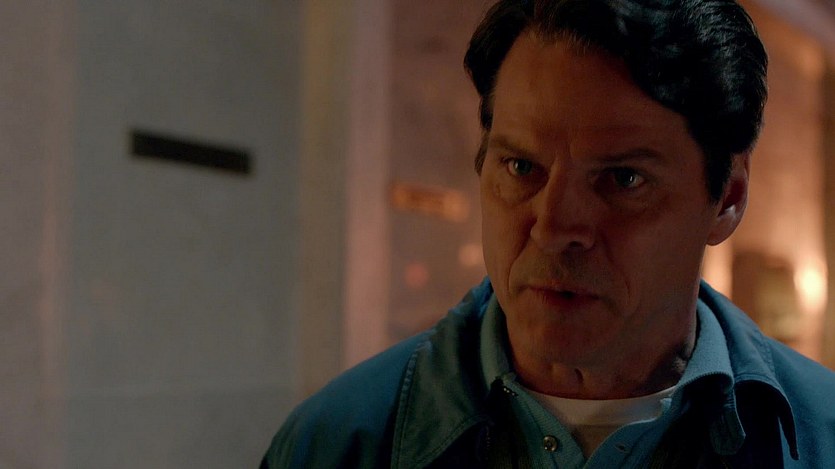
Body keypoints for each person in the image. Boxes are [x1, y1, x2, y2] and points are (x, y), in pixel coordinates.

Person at [261, 0, 835, 467]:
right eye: (521, 167)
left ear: (727, 199)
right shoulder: (338, 442)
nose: (555, 227)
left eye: (623, 179)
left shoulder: (819, 437)